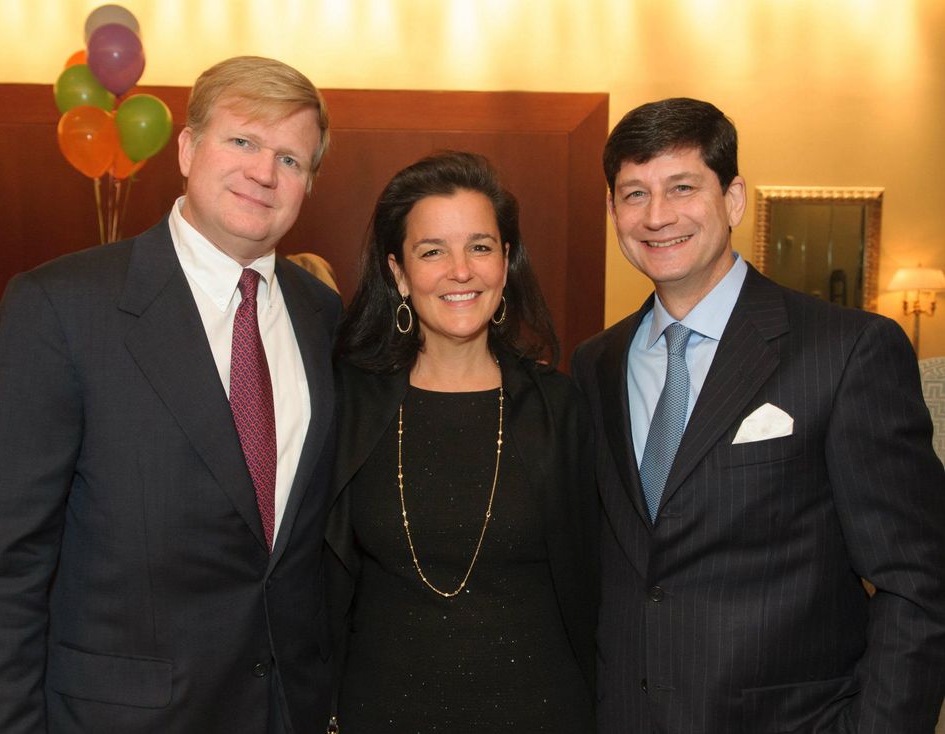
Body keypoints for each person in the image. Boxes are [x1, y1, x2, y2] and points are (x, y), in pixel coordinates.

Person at [0, 56, 341, 733]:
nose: (263, 172)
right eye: (243, 141)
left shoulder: (324, 317)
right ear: (188, 149)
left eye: (290, 159)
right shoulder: (63, 307)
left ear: (308, 184)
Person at [572, 96, 945, 733]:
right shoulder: (595, 364)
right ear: (613, 212)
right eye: (634, 194)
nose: (657, 216)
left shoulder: (846, 351)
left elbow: (918, 580)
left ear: (734, 198)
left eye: (682, 187)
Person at [325, 150, 597, 732]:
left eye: (480, 246)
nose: (461, 271)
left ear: (507, 260)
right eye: (432, 251)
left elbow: (601, 583)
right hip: (380, 715)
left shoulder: (562, 409)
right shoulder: (346, 407)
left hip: (541, 716)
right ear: (398, 273)